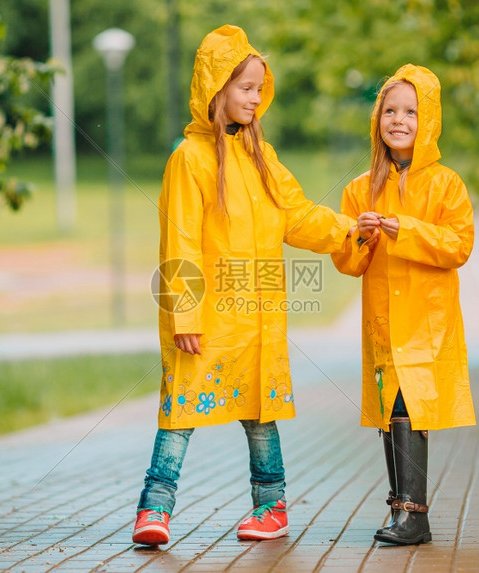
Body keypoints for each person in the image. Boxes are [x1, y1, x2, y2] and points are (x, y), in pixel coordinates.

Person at [132, 25, 354, 546]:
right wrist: (183, 315)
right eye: (246, 88)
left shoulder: (262, 157)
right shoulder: (188, 160)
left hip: (256, 320)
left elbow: (297, 217)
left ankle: (271, 506)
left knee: (259, 413)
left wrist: (349, 230)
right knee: (181, 407)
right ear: (217, 89)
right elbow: (179, 242)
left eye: (259, 88)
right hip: (207, 317)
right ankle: (154, 510)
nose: (256, 98)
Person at [331, 64, 476, 546]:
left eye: (411, 112)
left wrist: (406, 230)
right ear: (377, 119)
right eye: (389, 110)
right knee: (392, 408)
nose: (399, 120)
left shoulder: (446, 184)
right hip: (383, 319)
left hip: (426, 319)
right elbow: (348, 261)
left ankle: (415, 514)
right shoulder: (360, 187)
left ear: (427, 121)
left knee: (409, 405)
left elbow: (459, 245)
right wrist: (361, 236)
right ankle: (401, 509)